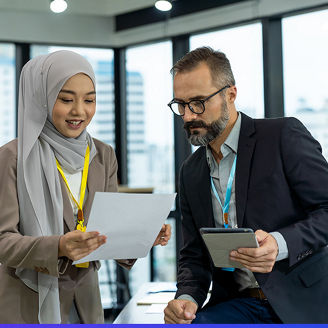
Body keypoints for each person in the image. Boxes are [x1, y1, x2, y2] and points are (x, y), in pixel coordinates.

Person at [0, 50, 171, 324]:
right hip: (26, 303)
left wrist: (142, 236)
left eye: (89, 100)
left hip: (87, 302)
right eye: (66, 99)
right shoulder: (14, 157)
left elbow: (109, 232)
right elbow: (3, 240)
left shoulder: (103, 155)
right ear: (41, 99)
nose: (79, 111)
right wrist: (57, 246)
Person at [164, 46, 328, 324]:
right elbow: (193, 255)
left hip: (303, 300)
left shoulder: (281, 136)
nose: (189, 115)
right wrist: (187, 299)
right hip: (236, 304)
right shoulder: (190, 172)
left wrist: (280, 243)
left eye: (198, 102)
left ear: (231, 94)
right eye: (181, 104)